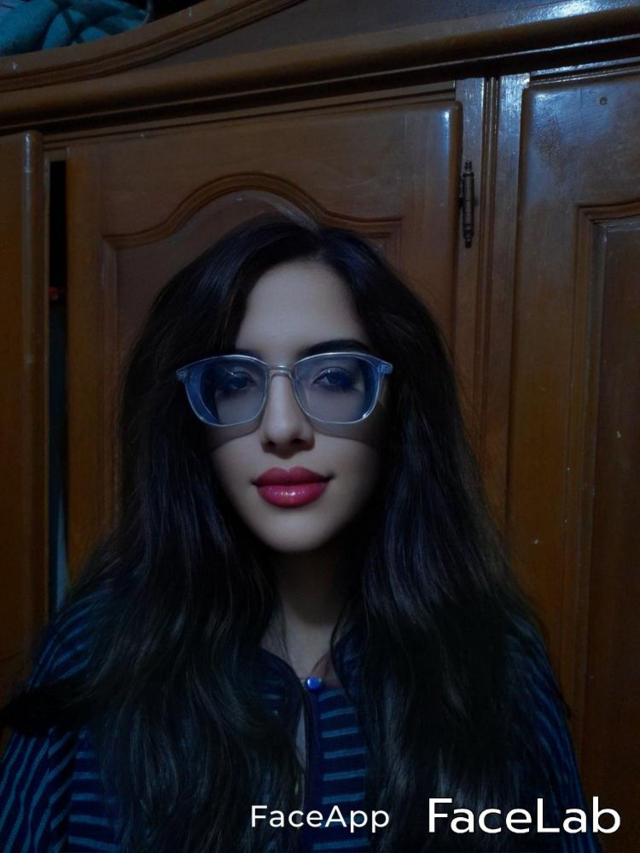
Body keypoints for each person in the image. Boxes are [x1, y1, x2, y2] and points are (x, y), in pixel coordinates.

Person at [0, 215, 603, 853]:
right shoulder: (95, 650)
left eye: (333, 377)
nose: (283, 427)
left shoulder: (496, 659)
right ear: (193, 420)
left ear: (397, 405)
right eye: (236, 383)